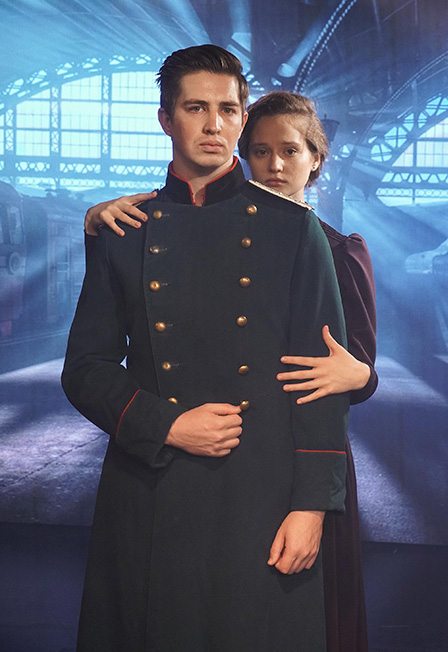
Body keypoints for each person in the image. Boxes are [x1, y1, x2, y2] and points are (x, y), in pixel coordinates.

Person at [62, 45, 349, 652]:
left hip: (261, 493)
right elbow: (85, 369)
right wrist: (166, 425)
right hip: (149, 488)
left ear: (242, 119)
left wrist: (312, 508)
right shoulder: (123, 230)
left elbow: (320, 384)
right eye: (196, 108)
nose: (214, 124)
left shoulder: (294, 229)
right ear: (166, 119)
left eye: (228, 110)